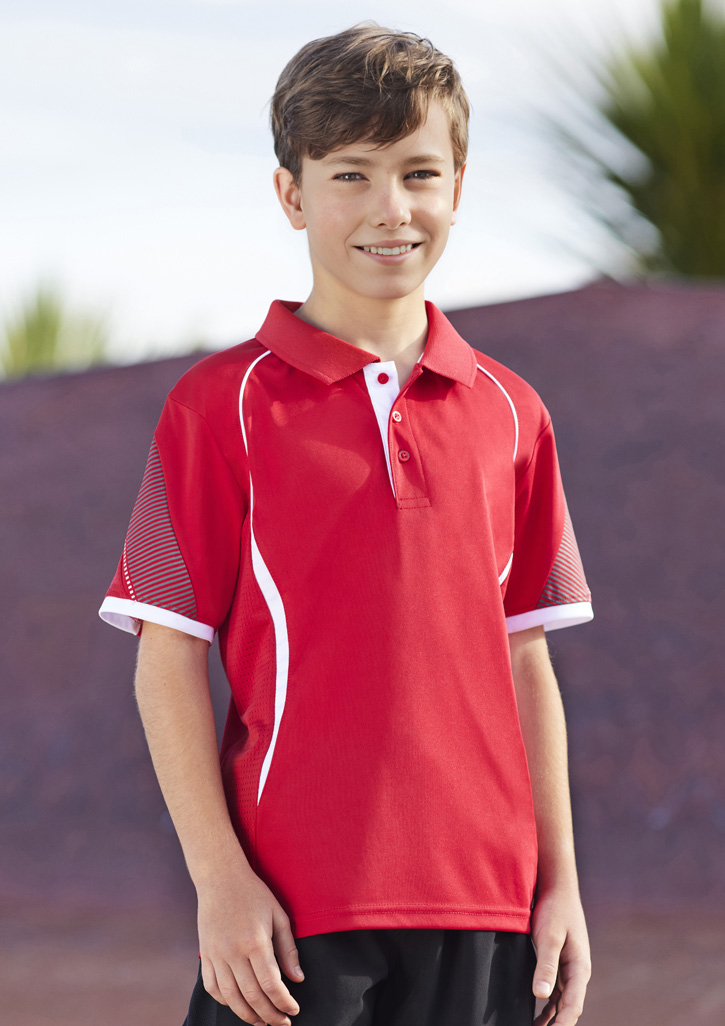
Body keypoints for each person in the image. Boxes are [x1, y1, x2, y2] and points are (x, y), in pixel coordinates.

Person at [99, 22, 593, 1026]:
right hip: (292, 910)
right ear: (291, 195)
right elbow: (166, 655)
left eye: (418, 173)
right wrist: (220, 882)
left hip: (488, 906)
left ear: (458, 184)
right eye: (350, 175)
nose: (390, 208)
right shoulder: (221, 406)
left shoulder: (512, 411)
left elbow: (523, 657)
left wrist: (561, 885)